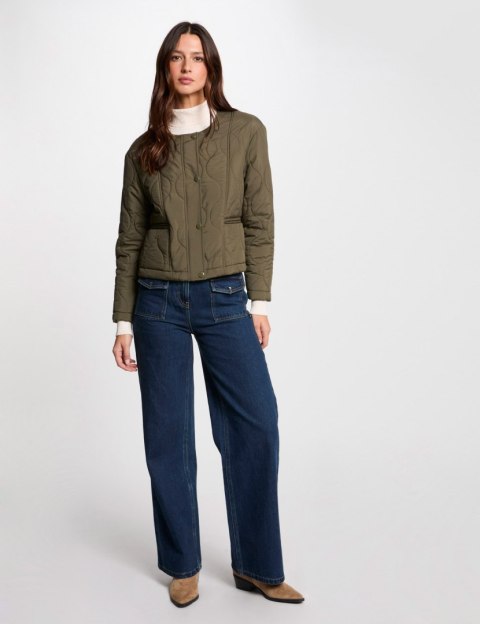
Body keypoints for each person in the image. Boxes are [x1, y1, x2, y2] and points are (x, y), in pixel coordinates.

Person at [111, 22, 305, 608]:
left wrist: (259, 301)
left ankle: (258, 566)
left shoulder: (246, 132)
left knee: (256, 424)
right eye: (176, 57)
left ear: (211, 67)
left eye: (196, 57)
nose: (187, 66)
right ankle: (181, 564)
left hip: (225, 299)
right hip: (157, 303)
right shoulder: (143, 150)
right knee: (167, 436)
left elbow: (260, 220)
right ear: (165, 69)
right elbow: (129, 238)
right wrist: (123, 320)